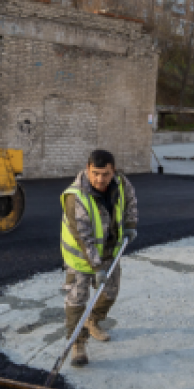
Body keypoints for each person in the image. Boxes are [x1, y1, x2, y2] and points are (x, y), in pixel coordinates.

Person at [60, 150, 139, 368]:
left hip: (109, 251)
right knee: (77, 300)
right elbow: (83, 237)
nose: (99, 179)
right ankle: (77, 343)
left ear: (113, 171)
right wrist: (96, 266)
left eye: (105, 174)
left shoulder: (122, 183)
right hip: (81, 258)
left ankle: (92, 320)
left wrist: (130, 226)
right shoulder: (75, 197)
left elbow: (130, 203)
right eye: (95, 173)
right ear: (87, 169)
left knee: (110, 292)